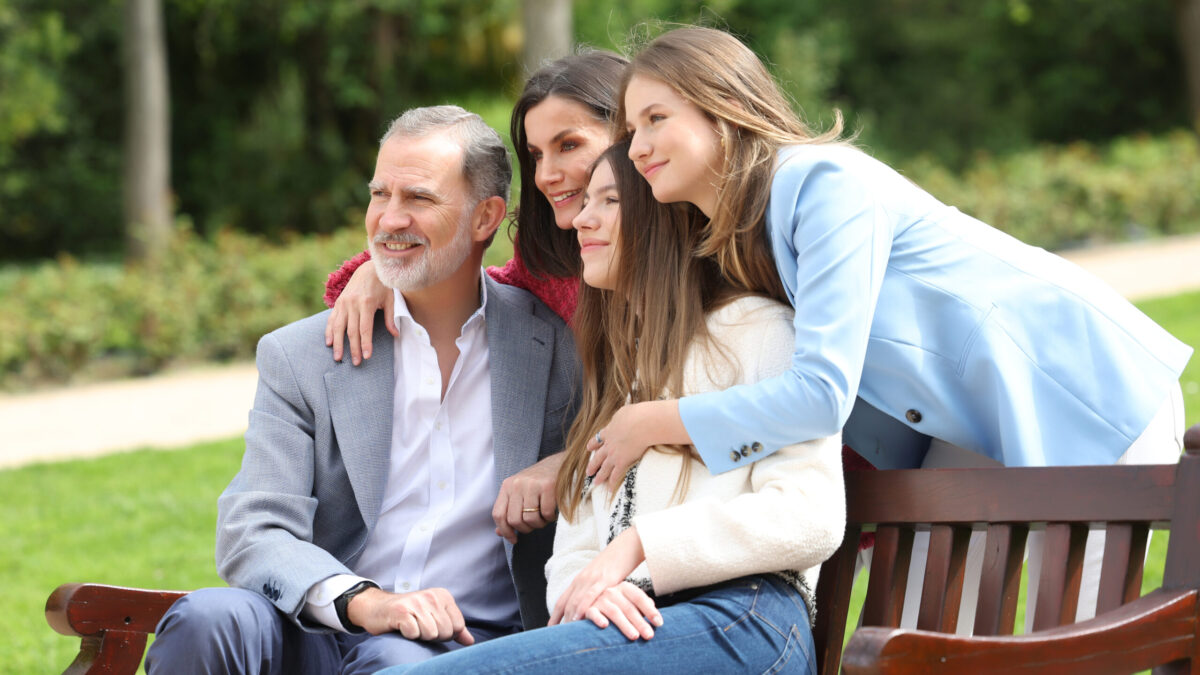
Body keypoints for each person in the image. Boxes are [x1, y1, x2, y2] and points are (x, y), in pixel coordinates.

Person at [586, 25, 1192, 630]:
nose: (637, 147)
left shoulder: (818, 184)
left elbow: (821, 394)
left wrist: (657, 421)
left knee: (1073, 645)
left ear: (724, 108)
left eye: (655, 118)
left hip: (1075, 386)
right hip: (964, 429)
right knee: (918, 640)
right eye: (631, 130)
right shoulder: (743, 234)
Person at [376, 138, 842, 675]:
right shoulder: (622, 372)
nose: (580, 220)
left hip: (743, 619)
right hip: (636, 623)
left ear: (665, 218)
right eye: (586, 202)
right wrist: (585, 593)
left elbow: (811, 517)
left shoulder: (757, 330)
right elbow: (576, 541)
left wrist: (639, 549)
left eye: (609, 202)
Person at [145, 105, 580, 674]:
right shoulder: (300, 356)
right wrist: (364, 601)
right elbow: (254, 528)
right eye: (380, 195)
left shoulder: (556, 348)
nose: (389, 219)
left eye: (418, 199)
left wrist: (564, 462)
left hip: (462, 646)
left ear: (485, 218)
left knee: (397, 661)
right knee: (208, 619)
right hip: (322, 619)